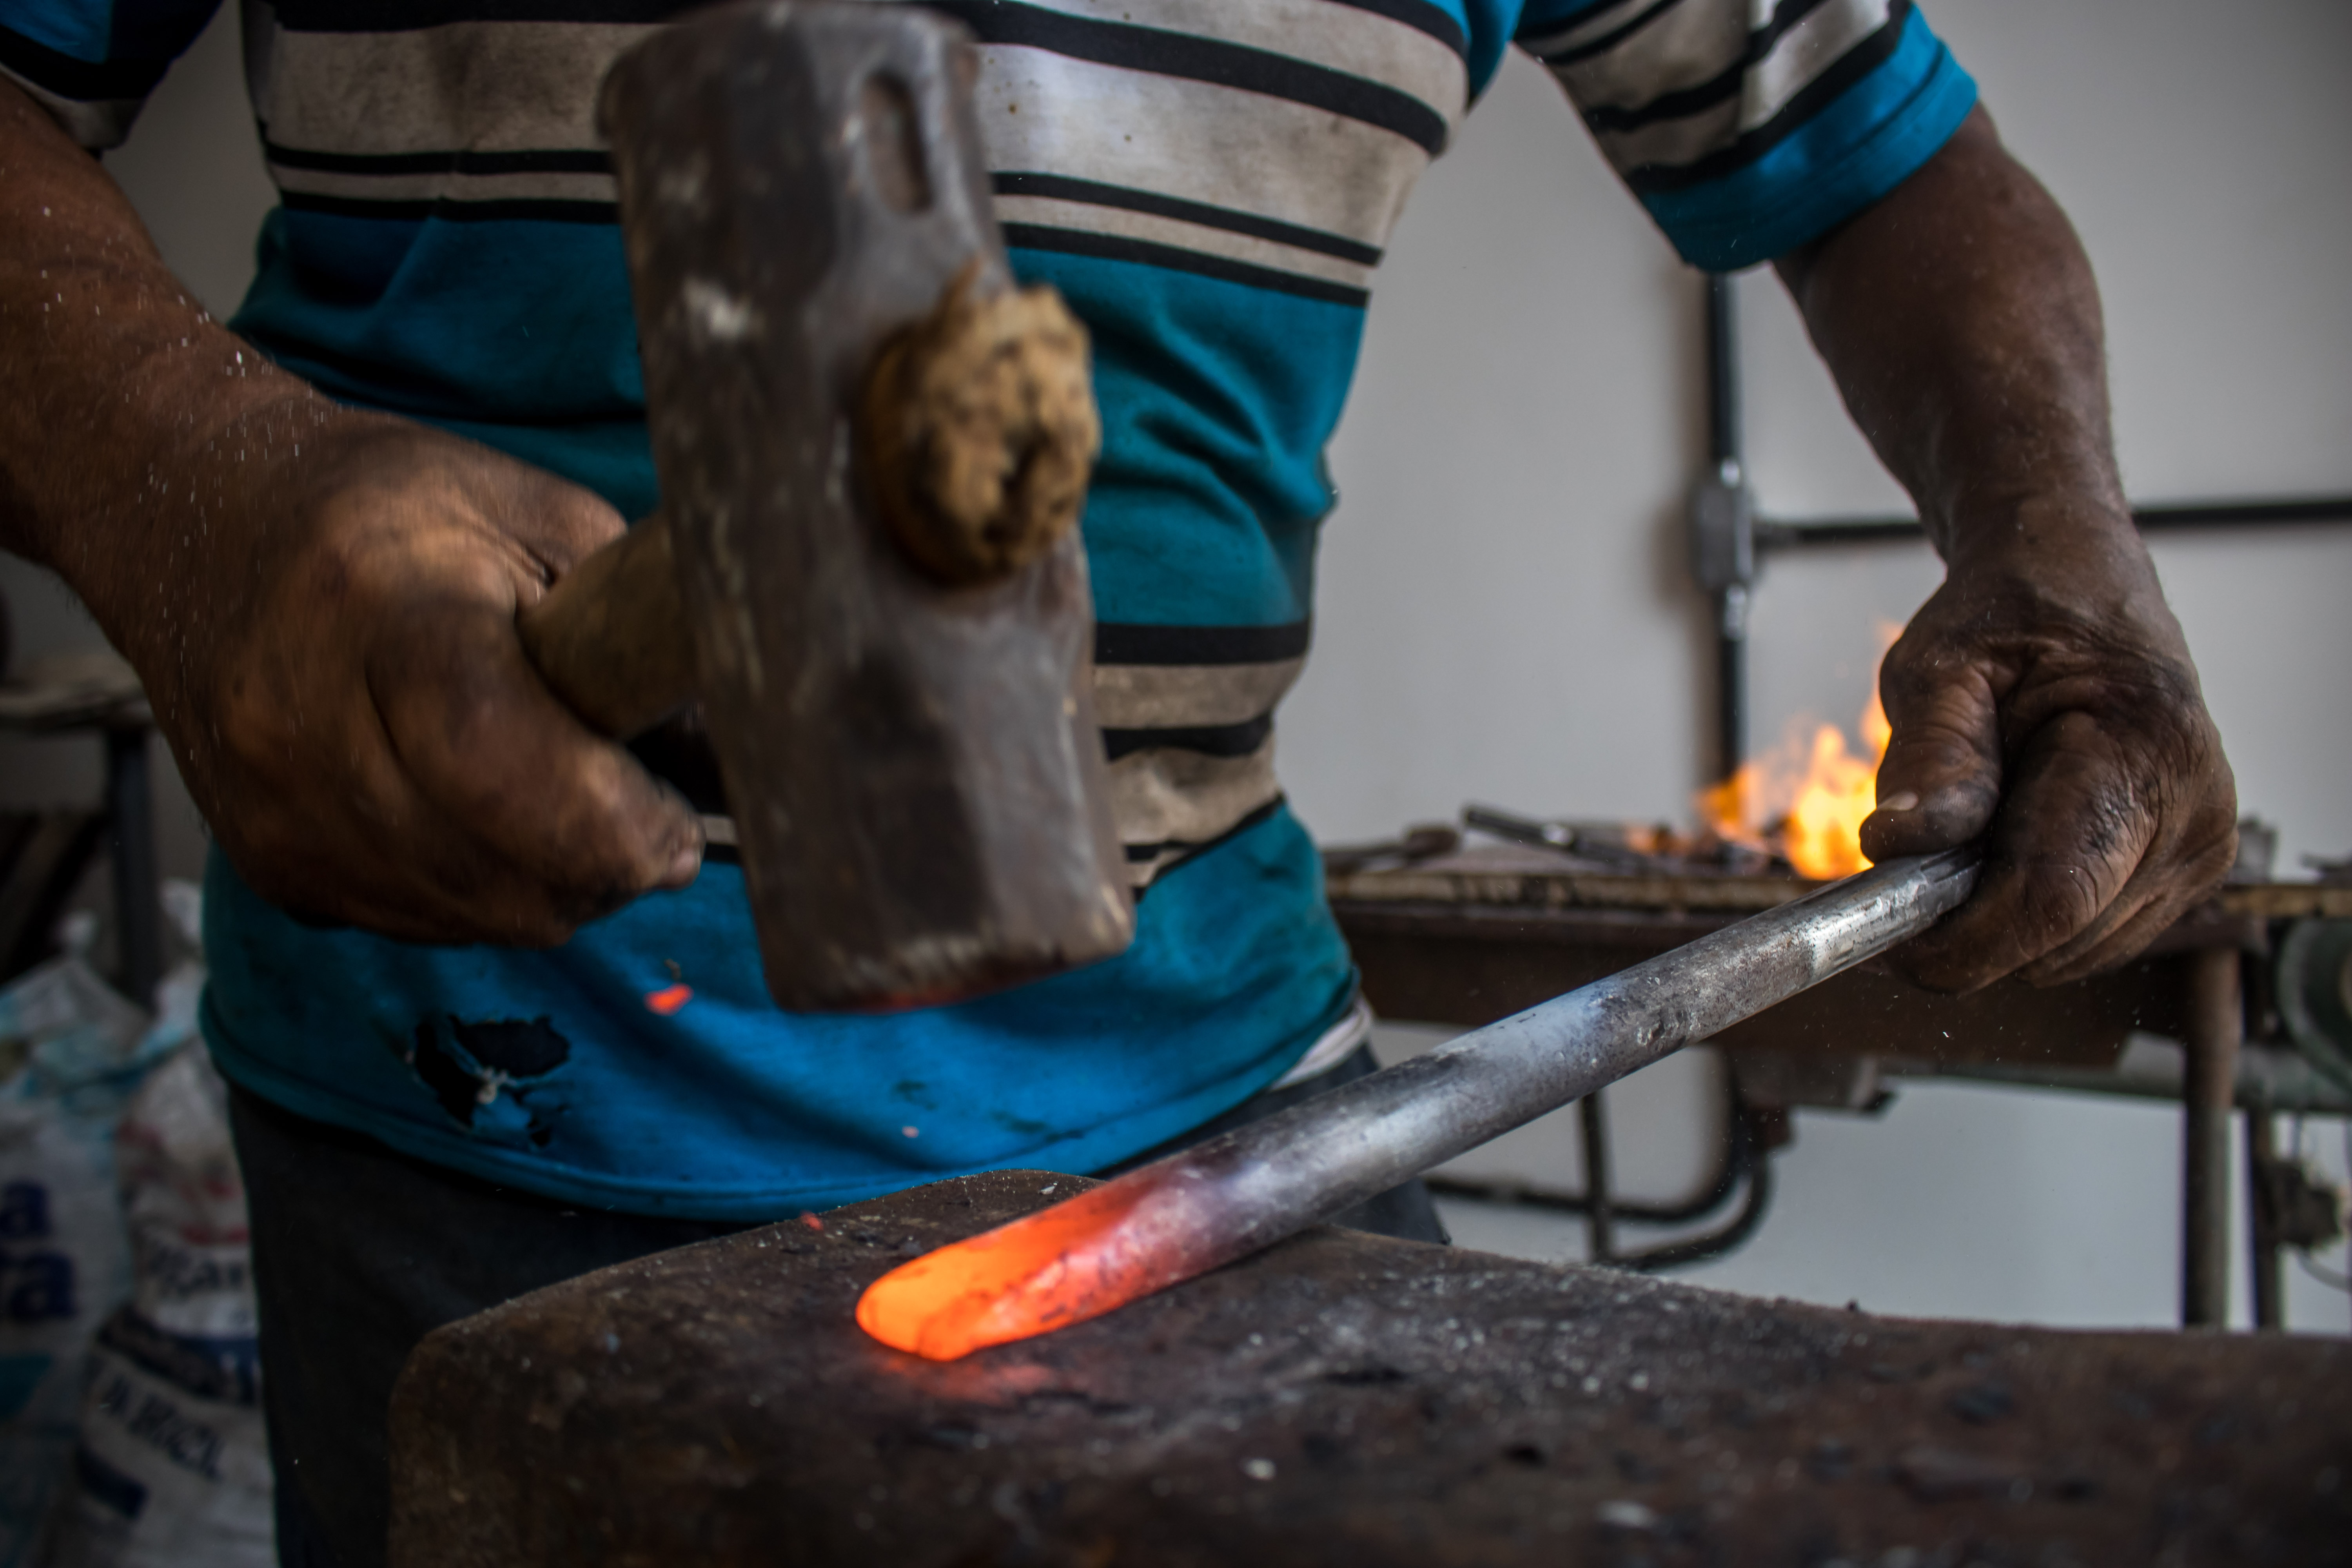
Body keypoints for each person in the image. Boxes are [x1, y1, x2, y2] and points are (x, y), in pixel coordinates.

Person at [0, 0, 2236, 1562]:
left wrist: (2059, 538)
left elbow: (1893, 158)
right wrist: (191, 494)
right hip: (471, 1102)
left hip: (1232, 1098)